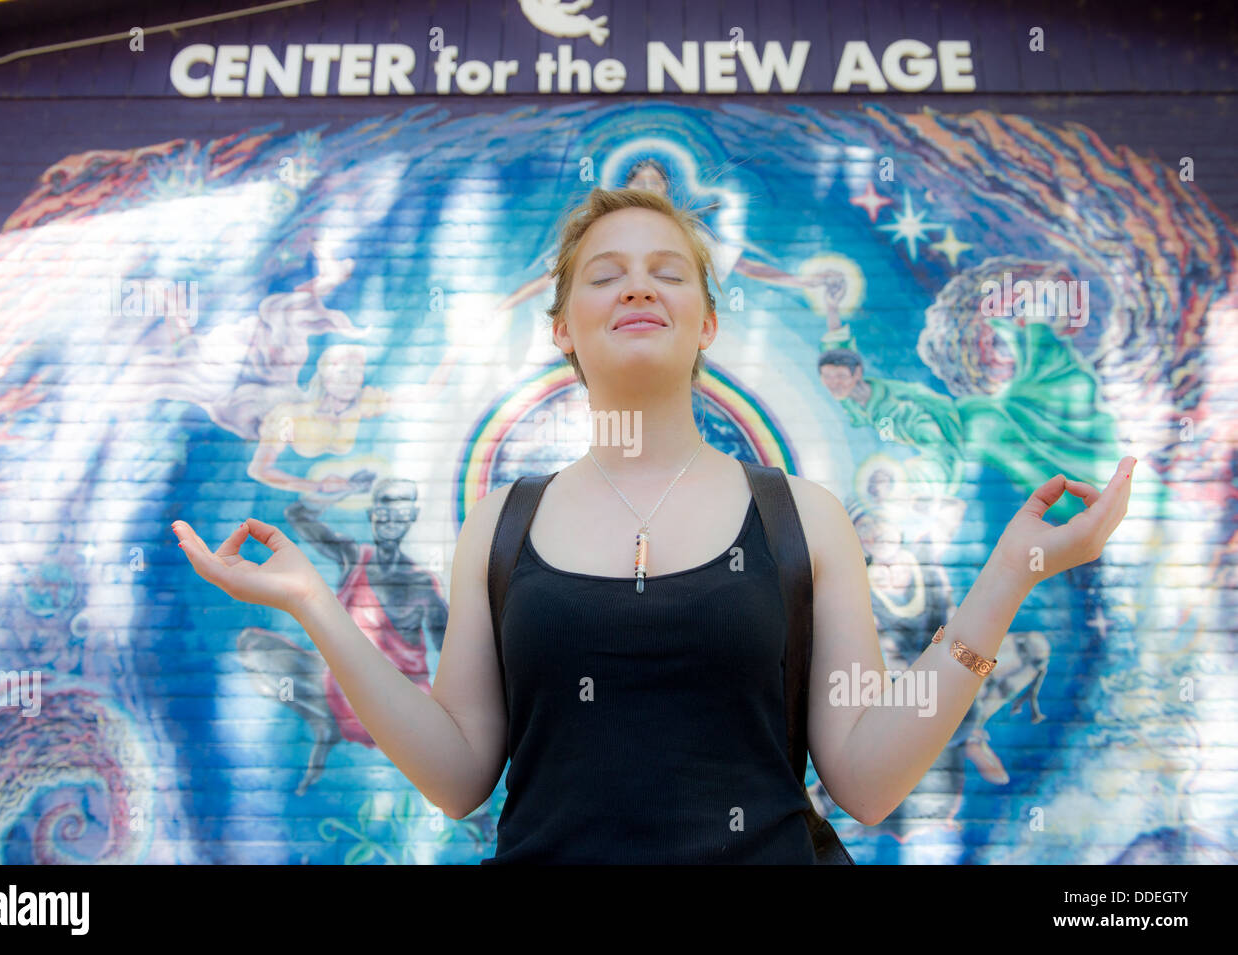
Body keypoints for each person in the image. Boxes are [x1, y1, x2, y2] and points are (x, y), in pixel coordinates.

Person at [172, 186, 1137, 864]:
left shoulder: (804, 520)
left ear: (708, 322)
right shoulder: (501, 527)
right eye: (607, 274)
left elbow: (869, 780)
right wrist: (311, 602)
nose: (639, 287)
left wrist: (1011, 571)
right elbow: (462, 774)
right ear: (562, 327)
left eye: (668, 272)